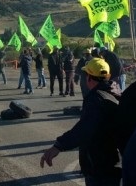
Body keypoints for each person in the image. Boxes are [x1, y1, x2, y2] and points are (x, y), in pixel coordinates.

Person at [40, 58, 123, 186]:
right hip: (112, 162)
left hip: (99, 166)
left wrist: (59, 145)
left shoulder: (96, 99)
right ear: (108, 76)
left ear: (88, 78)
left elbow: (84, 129)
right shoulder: (115, 93)